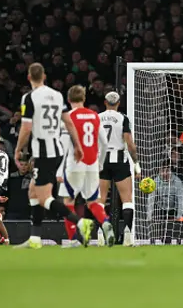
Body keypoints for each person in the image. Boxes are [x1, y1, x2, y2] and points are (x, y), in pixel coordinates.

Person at [13, 63, 92, 249]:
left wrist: (18, 149)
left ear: (29, 77)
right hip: (56, 150)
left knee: (43, 197)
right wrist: (78, 145)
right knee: (33, 190)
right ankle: (35, 238)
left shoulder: (29, 97)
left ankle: (80, 222)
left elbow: (26, 127)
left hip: (43, 152)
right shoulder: (57, 95)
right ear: (44, 76)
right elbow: (69, 122)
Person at [58, 85, 113, 248]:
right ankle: (106, 224)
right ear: (84, 98)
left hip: (74, 164)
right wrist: (100, 162)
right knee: (93, 202)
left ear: (69, 100)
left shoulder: (68, 117)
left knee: (68, 201)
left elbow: (64, 145)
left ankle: (74, 239)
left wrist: (59, 170)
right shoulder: (95, 116)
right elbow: (104, 143)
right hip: (92, 164)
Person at [98, 91, 141, 247]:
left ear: (105, 102)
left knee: (101, 199)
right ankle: (128, 234)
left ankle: (100, 234)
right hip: (119, 159)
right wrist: (136, 164)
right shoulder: (122, 118)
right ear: (118, 103)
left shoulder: (97, 117)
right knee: (127, 199)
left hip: (101, 159)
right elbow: (129, 143)